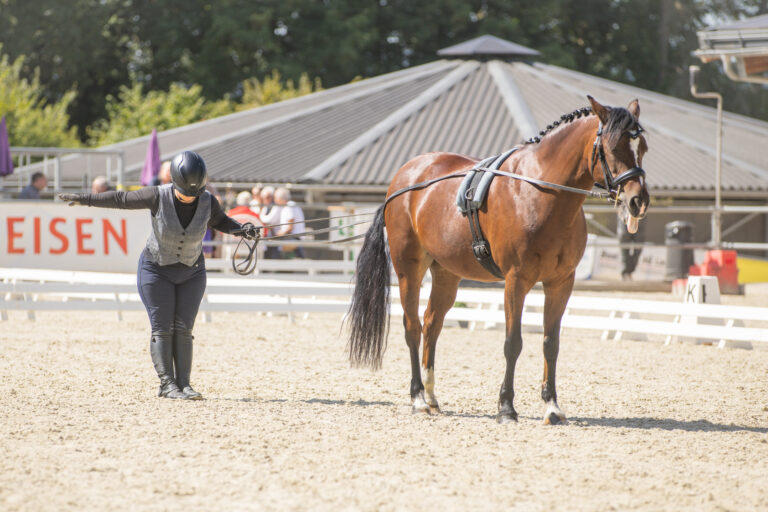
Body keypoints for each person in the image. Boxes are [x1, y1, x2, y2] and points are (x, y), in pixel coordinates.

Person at [59, 151, 259, 400]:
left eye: (194, 194)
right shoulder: (157, 195)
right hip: (156, 270)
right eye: (185, 192)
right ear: (174, 181)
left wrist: (243, 230)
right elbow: (122, 198)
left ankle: (184, 384)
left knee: (184, 328)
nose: (190, 198)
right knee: (162, 328)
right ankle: (167, 384)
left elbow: (221, 221)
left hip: (192, 271)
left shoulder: (208, 200)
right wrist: (85, 199)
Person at [271, 187, 306, 259]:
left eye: (275, 198)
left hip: (292, 241)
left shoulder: (289, 206)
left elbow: (290, 227)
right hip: (293, 240)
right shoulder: (289, 206)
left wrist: (275, 236)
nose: (274, 200)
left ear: (280, 198)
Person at [617, 209, 646, 281]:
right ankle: (625, 272)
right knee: (624, 245)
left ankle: (629, 271)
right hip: (624, 214)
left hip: (640, 216)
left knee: (638, 247)